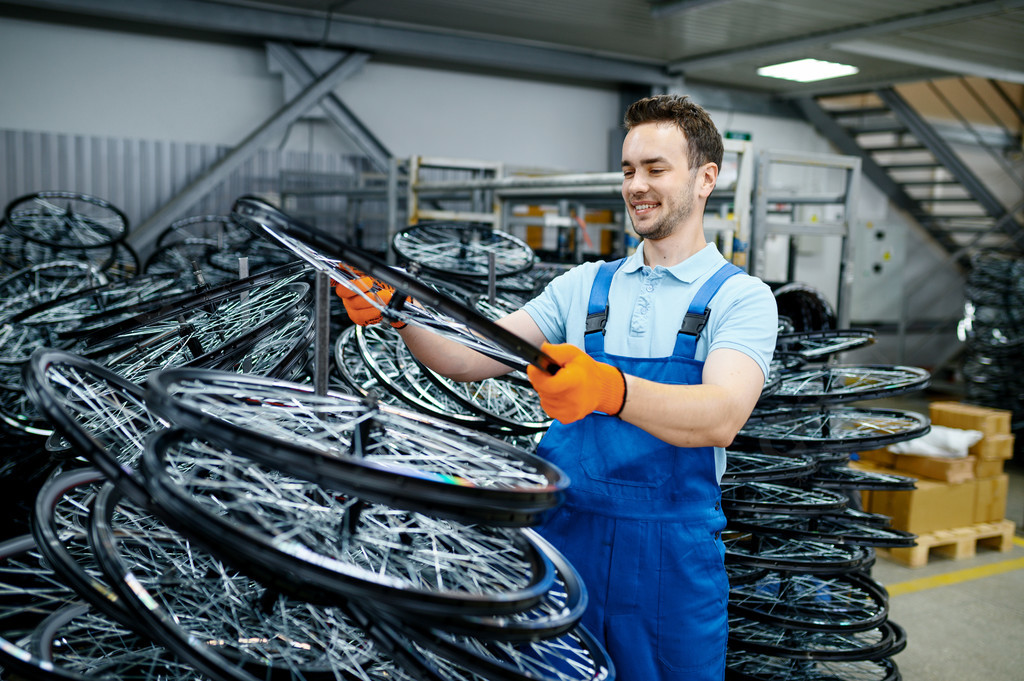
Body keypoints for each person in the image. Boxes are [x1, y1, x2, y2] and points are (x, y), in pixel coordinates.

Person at [337, 94, 778, 681]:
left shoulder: (739, 298)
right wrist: (401, 310)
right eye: (627, 171)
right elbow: (472, 355)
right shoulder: (584, 287)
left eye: (655, 169)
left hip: (672, 561)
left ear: (705, 179)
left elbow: (721, 414)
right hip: (566, 542)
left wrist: (611, 390)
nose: (636, 186)